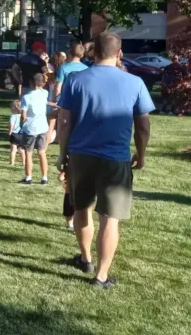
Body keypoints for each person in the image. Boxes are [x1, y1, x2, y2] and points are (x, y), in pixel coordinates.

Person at [55, 32, 154, 289]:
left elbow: (64, 122)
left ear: (93, 53)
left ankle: (85, 258)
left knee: (81, 208)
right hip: (116, 159)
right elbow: (143, 127)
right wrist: (141, 154)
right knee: (110, 218)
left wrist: (62, 154)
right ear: (119, 53)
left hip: (80, 156)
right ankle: (100, 276)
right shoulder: (135, 82)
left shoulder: (75, 80)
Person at [18, 74, 50, 185]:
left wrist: (21, 123)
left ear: (31, 83)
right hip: (42, 126)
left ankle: (28, 177)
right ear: (43, 83)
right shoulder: (45, 93)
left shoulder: (26, 97)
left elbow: (23, 114)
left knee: (28, 153)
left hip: (30, 128)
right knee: (42, 152)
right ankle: (44, 178)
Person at [8, 100, 24, 167]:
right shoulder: (23, 116)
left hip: (14, 134)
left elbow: (11, 125)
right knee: (22, 150)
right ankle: (24, 162)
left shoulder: (13, 116)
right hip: (22, 134)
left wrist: (10, 132)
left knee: (13, 150)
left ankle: (12, 163)